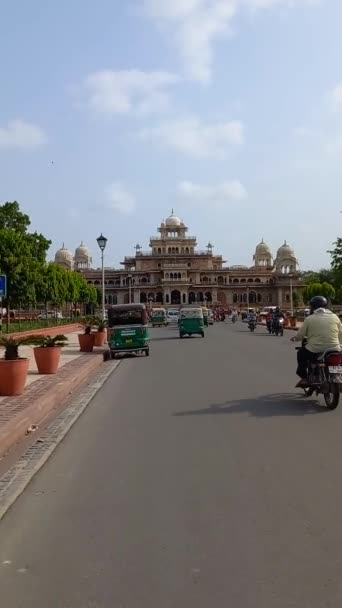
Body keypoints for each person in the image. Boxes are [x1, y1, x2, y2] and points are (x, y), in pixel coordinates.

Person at [291, 296, 342, 387]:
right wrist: (339, 344)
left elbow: (301, 335)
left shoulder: (309, 319)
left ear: (313, 307)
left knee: (301, 354)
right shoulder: (335, 317)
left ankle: (305, 378)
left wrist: (295, 338)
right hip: (334, 348)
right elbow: (341, 333)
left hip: (314, 349)